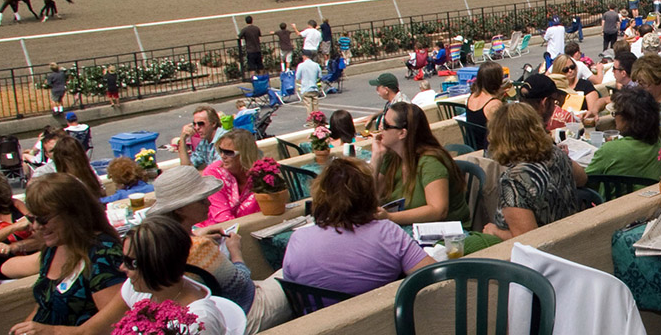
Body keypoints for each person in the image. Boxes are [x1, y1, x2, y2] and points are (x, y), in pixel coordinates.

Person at [148, 166, 290, 333]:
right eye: (201, 200)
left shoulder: (163, 243)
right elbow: (241, 284)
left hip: (219, 312)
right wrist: (236, 251)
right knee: (297, 270)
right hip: (246, 313)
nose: (208, 203)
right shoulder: (199, 247)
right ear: (180, 209)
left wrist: (197, 234)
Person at [284, 158, 434, 297]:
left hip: (315, 319)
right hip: (380, 320)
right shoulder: (388, 232)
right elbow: (434, 275)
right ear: (368, 194)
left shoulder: (299, 238)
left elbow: (292, 291)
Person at [10, 173, 124, 331]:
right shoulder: (53, 248)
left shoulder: (104, 254)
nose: (36, 227)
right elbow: (44, 306)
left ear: (73, 213)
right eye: (32, 219)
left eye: (43, 219)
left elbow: (116, 325)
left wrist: (52, 332)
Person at [482, 103, 586, 241]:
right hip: (568, 234)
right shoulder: (554, 153)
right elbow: (582, 178)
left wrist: (494, 232)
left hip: (546, 250)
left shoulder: (514, 180)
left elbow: (528, 240)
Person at [118, 217, 225, 334]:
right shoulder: (137, 288)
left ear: (156, 265)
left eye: (130, 263)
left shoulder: (199, 320)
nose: (122, 267)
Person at [372, 102, 470, 228]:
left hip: (443, 233)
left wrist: (390, 217)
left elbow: (438, 211)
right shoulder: (392, 157)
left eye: (385, 125)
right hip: (407, 228)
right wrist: (376, 158)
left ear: (402, 133)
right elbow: (372, 196)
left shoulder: (431, 162)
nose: (380, 128)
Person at [585, 87, 661, 186]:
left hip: (612, 201)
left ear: (627, 118)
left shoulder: (610, 150)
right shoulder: (657, 144)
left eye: (615, 113)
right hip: (648, 197)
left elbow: (584, 179)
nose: (614, 117)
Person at [201, 129, 260, 226]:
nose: (223, 156)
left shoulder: (261, 174)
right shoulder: (213, 174)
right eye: (221, 151)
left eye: (229, 153)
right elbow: (222, 218)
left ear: (244, 154)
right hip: (215, 230)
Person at [464, 61, 505, 150]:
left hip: (473, 146)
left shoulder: (472, 97)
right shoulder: (494, 104)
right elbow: (501, 133)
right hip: (488, 149)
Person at [549, 54, 599, 121]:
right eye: (565, 69)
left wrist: (585, 114)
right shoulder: (554, 89)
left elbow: (593, 112)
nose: (570, 71)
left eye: (572, 67)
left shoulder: (585, 85)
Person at [178, 105, 225, 171]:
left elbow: (219, 171)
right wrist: (182, 139)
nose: (196, 127)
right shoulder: (204, 143)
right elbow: (186, 168)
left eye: (200, 124)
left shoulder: (224, 140)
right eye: (194, 124)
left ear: (213, 123)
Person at [295, 51, 322, 119]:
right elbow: (320, 76)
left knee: (308, 106)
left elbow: (297, 77)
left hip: (306, 89)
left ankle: (311, 121)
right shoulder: (316, 65)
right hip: (314, 88)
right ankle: (317, 120)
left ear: (304, 56)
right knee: (315, 106)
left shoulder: (301, 65)